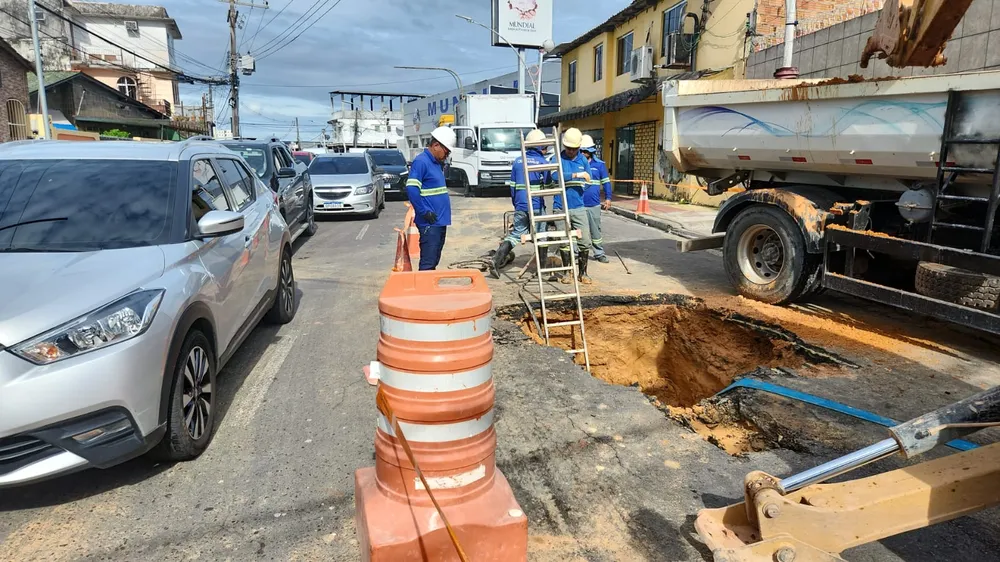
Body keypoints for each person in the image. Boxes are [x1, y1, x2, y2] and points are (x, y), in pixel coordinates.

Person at [491, 129, 550, 278]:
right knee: (541, 235)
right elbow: (549, 182)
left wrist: (517, 203)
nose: (545, 150)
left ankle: (496, 261)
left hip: (520, 205)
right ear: (539, 146)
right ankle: (541, 270)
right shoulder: (542, 162)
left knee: (516, 234)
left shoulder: (517, 161)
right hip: (536, 205)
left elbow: (512, 186)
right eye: (544, 147)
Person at [406, 126, 456, 270]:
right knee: (428, 263)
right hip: (430, 222)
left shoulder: (436, 164)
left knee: (434, 260)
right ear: (436, 145)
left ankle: (428, 289)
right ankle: (423, 290)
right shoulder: (422, 162)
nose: (446, 155)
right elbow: (412, 188)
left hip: (439, 221)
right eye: (446, 151)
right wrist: (423, 211)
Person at [552, 128, 593, 285]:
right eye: (568, 148)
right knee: (564, 241)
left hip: (578, 206)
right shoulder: (558, 158)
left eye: (574, 149)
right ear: (564, 146)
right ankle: (567, 272)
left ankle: (583, 273)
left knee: (584, 240)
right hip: (560, 206)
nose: (571, 151)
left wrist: (584, 186)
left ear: (579, 148)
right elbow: (555, 175)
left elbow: (589, 179)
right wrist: (575, 175)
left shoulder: (582, 160)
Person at [580, 135, 612, 263]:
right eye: (581, 151)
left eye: (585, 151)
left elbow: (606, 183)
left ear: (591, 151)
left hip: (593, 204)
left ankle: (599, 253)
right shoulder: (576, 164)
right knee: (579, 231)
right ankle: (578, 253)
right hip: (578, 204)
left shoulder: (599, 165)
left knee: (595, 230)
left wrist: (608, 198)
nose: (583, 153)